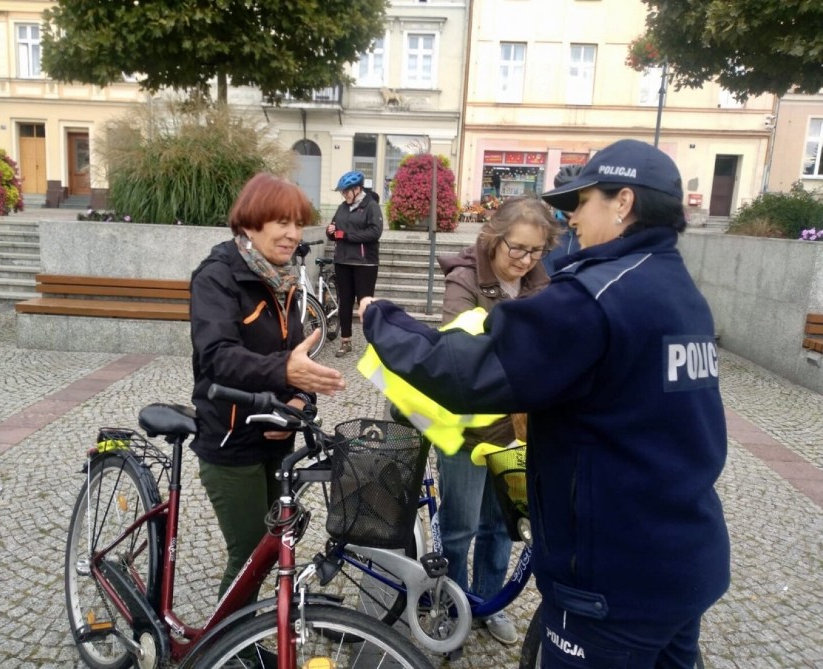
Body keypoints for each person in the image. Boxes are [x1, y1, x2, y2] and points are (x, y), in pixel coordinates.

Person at [358, 139, 730, 668]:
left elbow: (466, 372)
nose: (572, 217)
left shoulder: (597, 296)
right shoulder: (678, 290)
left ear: (622, 202)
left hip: (610, 578)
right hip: (684, 559)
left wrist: (381, 321)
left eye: (583, 201)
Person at [189, 172, 345, 602]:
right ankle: (230, 651)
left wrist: (300, 400)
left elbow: (298, 360)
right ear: (251, 223)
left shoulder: (286, 281)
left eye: (297, 223)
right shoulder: (217, 277)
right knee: (248, 554)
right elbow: (216, 357)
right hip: (229, 439)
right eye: (281, 222)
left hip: (278, 442)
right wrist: (287, 375)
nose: (293, 234)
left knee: (274, 546)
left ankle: (254, 636)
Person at [435, 196, 557, 645]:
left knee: (501, 525)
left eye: (536, 251)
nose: (525, 261)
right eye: (517, 249)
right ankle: (452, 603)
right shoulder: (465, 277)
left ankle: (489, 603)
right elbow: (458, 353)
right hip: (465, 429)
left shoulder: (542, 284)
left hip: (515, 431)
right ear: (494, 237)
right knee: (459, 527)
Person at [326, 170, 384, 357]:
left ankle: (374, 343)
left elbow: (375, 232)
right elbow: (335, 229)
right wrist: (331, 231)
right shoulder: (342, 208)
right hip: (343, 261)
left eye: (346, 191)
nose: (344, 195)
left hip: (365, 263)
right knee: (345, 302)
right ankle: (345, 341)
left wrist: (347, 236)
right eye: (342, 192)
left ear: (357, 189)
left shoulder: (371, 206)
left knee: (366, 304)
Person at [542, 164, 582, 272]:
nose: (572, 203)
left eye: (578, 198)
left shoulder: (598, 233)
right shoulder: (545, 229)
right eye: (567, 197)